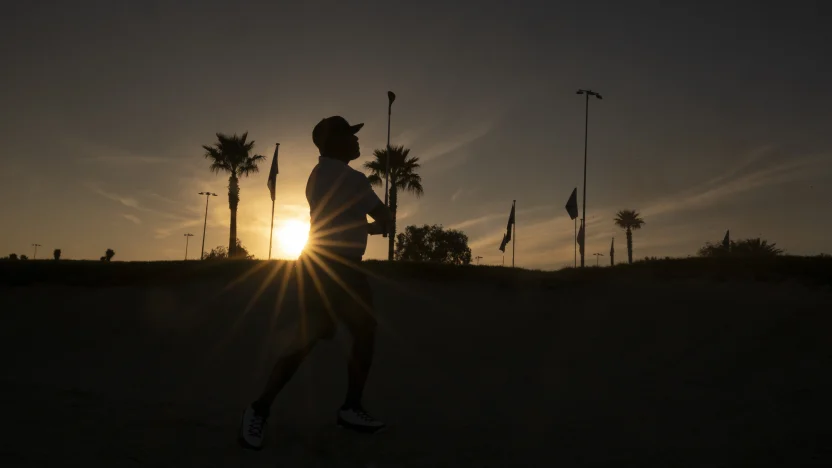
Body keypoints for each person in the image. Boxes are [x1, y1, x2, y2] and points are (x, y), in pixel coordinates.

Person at [238, 116, 394, 450]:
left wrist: (363, 228)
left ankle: (266, 408)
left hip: (323, 264)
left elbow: (347, 221)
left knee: (329, 335)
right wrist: (375, 224)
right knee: (328, 336)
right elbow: (385, 219)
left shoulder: (319, 174)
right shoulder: (350, 177)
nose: (356, 142)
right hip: (335, 269)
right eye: (349, 136)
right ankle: (265, 407)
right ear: (332, 141)